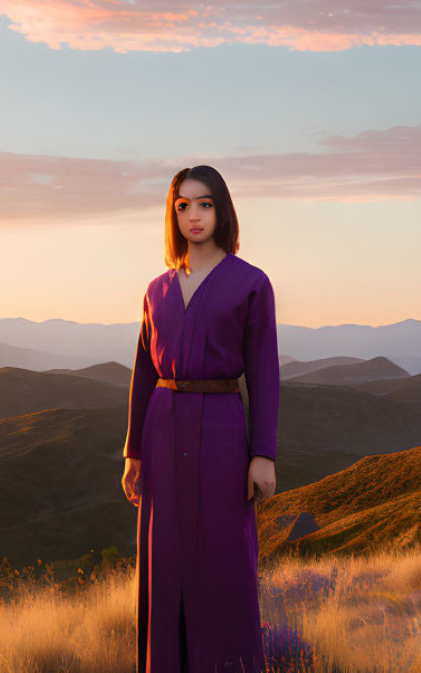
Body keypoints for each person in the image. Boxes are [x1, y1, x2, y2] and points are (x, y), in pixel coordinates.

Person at [120, 164, 279, 673]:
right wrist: (133, 453)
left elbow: (264, 374)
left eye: (204, 203)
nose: (193, 215)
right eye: (182, 205)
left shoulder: (251, 283)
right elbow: (143, 372)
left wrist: (262, 454)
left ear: (222, 210)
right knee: (165, 561)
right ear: (173, 214)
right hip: (161, 430)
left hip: (223, 430)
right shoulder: (156, 290)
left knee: (224, 557)